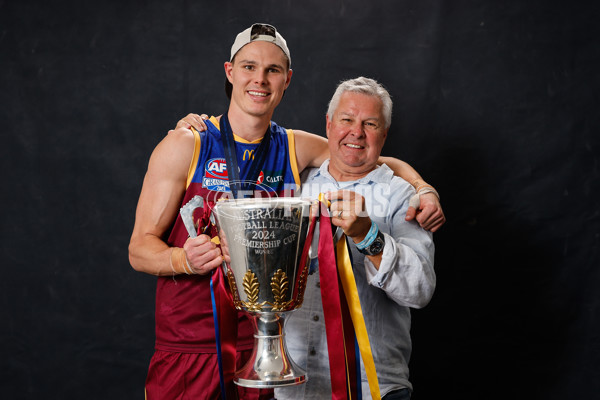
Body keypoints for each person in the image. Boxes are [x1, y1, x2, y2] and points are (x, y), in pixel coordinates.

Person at [129, 23, 442, 399]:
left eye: (272, 70)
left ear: (287, 80)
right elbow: (139, 249)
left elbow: (365, 156)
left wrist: (423, 188)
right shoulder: (186, 145)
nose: (259, 79)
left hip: (265, 352)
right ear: (230, 72)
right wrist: (183, 259)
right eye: (248, 67)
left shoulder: (294, 147)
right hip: (191, 344)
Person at [275, 77, 435, 400]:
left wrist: (368, 235)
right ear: (329, 124)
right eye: (347, 119)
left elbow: (420, 290)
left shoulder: (403, 197)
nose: (356, 132)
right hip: (294, 386)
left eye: (370, 124)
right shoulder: (294, 185)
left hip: (372, 387)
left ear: (384, 134)